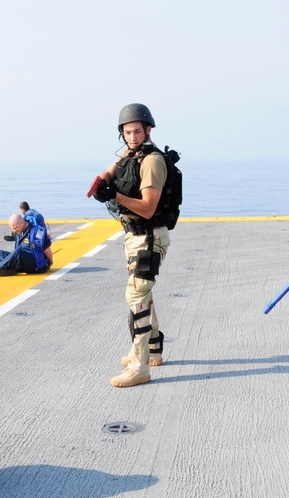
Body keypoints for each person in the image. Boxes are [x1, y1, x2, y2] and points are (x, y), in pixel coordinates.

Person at [86, 103, 172, 387]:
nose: (132, 137)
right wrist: (101, 182)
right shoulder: (131, 154)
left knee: (136, 296)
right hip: (133, 236)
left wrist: (117, 196)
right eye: (127, 132)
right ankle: (155, 347)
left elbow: (148, 208)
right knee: (142, 291)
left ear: (148, 130)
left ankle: (140, 366)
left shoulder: (152, 161)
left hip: (149, 236)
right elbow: (112, 170)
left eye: (137, 131)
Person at [0, 212, 53, 276]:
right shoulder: (19, 232)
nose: (14, 230)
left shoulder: (37, 232)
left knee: (18, 251)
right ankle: (6, 270)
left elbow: (47, 249)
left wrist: (49, 262)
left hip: (35, 265)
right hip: (21, 262)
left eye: (15, 228)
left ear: (21, 223)